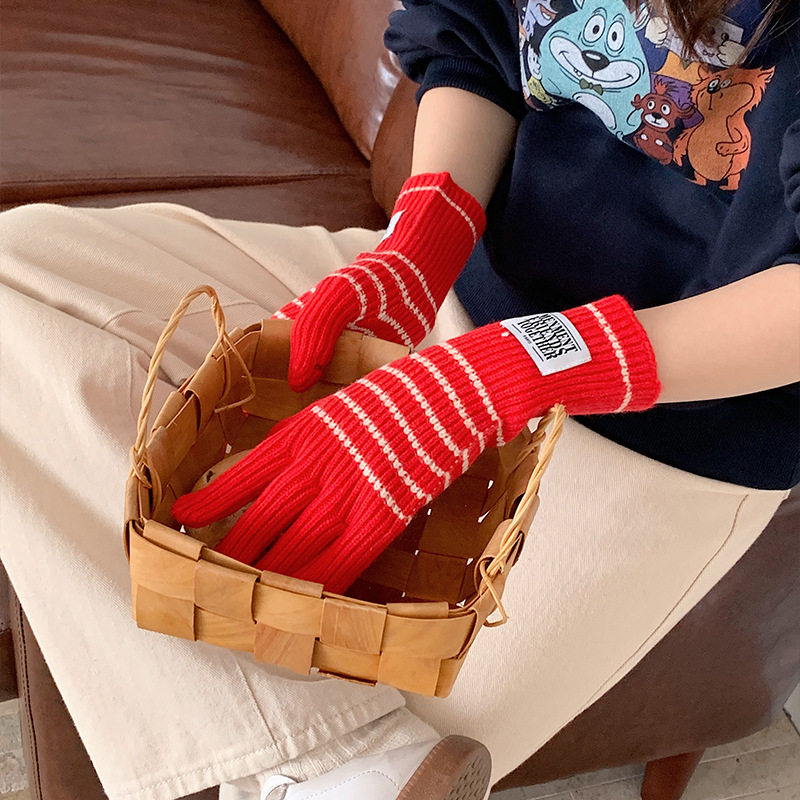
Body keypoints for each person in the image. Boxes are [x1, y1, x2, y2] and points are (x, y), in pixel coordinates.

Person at [0, 0, 798, 798]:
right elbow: (478, 42)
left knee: (341, 735)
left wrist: (520, 367)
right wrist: (422, 240)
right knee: (17, 280)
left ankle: (324, 760)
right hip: (459, 298)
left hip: (662, 425)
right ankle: (338, 761)